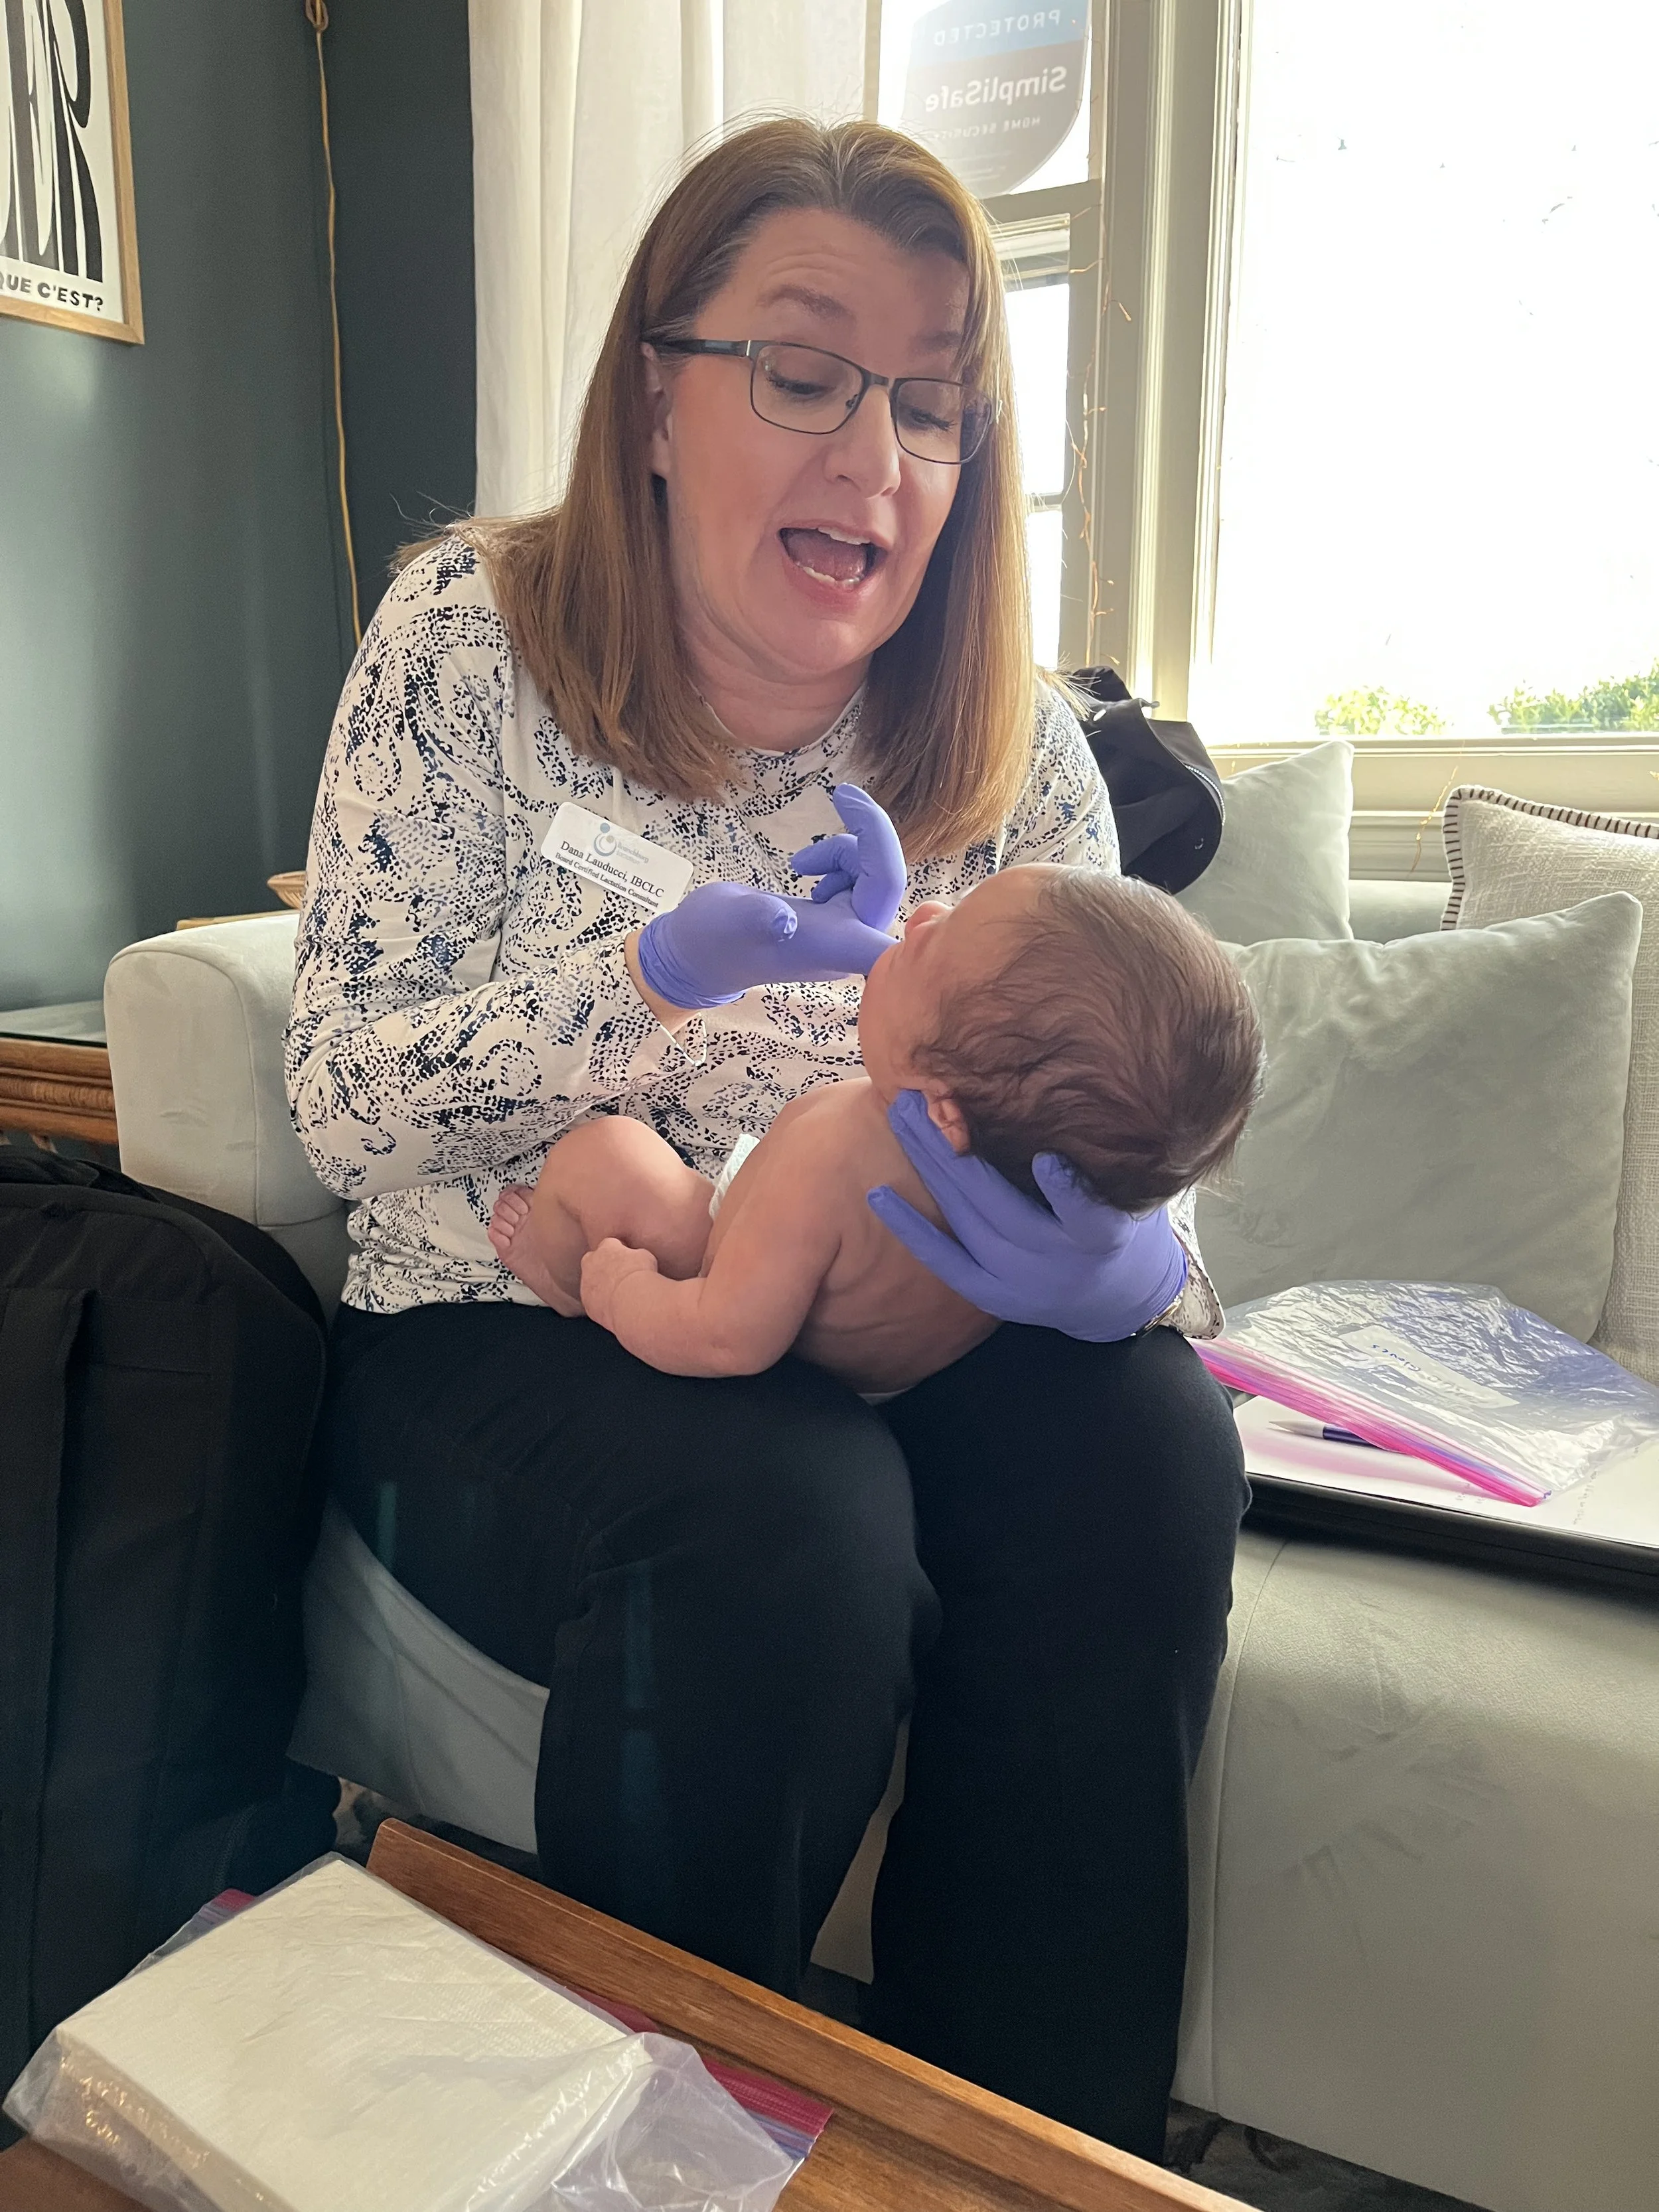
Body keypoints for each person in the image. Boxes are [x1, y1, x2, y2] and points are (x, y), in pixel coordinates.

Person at [288, 115, 1250, 2160]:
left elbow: (1154, 1127)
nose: (873, 456)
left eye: (928, 401)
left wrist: (1143, 1257)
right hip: (523, 1304)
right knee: (784, 1525)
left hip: (891, 1329)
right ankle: (648, 2154)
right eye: (804, 375)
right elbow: (344, 1101)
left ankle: (1016, 2161)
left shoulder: (1021, 754)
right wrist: (650, 983)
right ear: (655, 391)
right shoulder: (467, 640)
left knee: (1148, 1453)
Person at [486, 845, 1262, 1394]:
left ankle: (559, 1282)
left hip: (776, 1339)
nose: (924, 910)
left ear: (944, 1109)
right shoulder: (1029, 1159)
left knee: (607, 1154)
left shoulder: (833, 1160)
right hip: (901, 1371)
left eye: (937, 942)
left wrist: (625, 1295)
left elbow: (729, 1336)